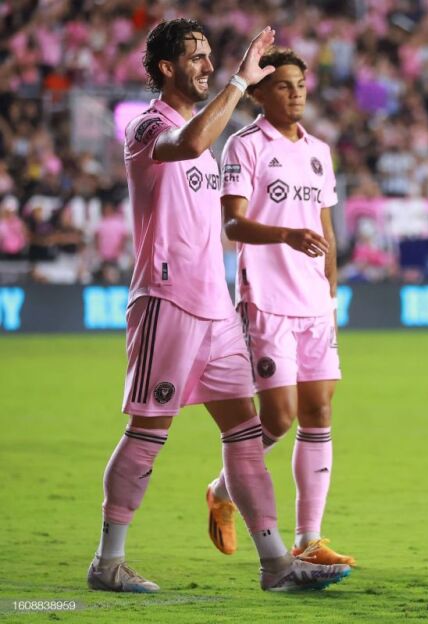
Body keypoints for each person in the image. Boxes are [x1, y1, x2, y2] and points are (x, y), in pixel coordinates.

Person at [87, 19, 350, 593]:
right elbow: (191, 143)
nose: (208, 65)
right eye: (196, 57)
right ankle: (108, 562)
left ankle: (276, 564)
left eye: (210, 56)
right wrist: (239, 81)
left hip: (216, 310)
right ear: (167, 68)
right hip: (166, 299)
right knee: (148, 431)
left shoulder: (206, 141)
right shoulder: (149, 126)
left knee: (246, 434)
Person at [204, 48, 354, 568]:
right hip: (266, 299)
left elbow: (326, 232)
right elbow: (232, 225)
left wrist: (331, 297)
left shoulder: (319, 151)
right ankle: (222, 489)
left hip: (314, 303)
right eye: (284, 85)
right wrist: (286, 234)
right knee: (280, 416)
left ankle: (309, 540)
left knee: (319, 412)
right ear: (260, 93)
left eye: (301, 85)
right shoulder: (244, 145)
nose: (296, 94)